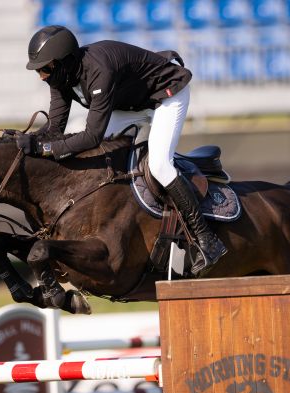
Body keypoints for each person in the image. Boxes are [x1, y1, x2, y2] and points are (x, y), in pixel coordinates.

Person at [16, 25, 226, 276]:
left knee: (159, 164)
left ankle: (206, 239)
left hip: (167, 95)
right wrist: (27, 140)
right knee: (95, 148)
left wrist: (45, 147)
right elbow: (54, 128)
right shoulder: (60, 76)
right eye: (39, 70)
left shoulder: (99, 71)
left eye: (45, 69)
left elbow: (91, 136)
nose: (42, 76)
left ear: (66, 61)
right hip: (132, 103)